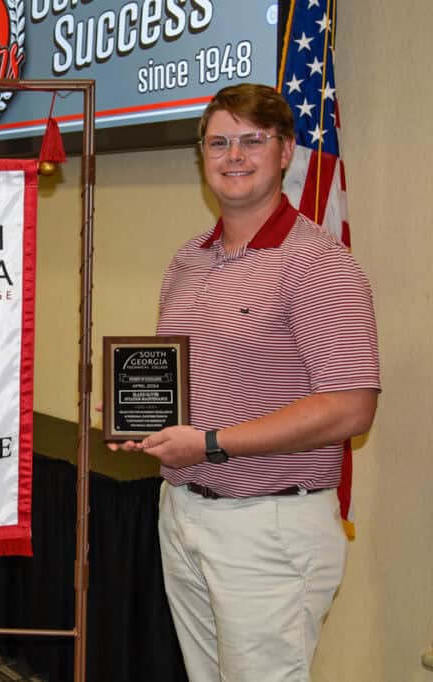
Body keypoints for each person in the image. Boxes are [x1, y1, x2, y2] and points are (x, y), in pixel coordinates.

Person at [116, 83, 380, 681]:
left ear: (285, 152)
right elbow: (188, 379)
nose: (233, 156)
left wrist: (211, 443)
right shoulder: (188, 259)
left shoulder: (318, 262)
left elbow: (349, 408)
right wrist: (141, 415)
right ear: (202, 157)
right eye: (219, 143)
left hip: (269, 526)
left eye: (252, 140)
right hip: (182, 511)